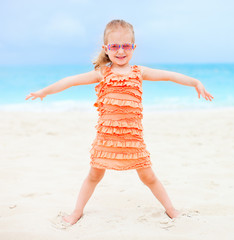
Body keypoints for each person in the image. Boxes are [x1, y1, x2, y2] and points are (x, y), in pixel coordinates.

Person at [25, 19, 214, 225]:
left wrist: (195, 82)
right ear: (106, 49)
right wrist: (44, 91)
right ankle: (76, 212)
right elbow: (70, 80)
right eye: (114, 46)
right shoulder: (102, 73)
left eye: (126, 45)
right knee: (94, 176)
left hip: (132, 139)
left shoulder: (139, 72)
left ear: (134, 47)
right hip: (106, 139)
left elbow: (169, 76)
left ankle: (171, 209)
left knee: (148, 178)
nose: (120, 51)